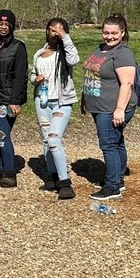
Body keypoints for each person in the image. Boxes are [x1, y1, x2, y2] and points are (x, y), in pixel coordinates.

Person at [82, 14, 138, 200]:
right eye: (106, 32)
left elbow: (127, 83)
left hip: (112, 108)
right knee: (116, 141)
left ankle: (112, 186)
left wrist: (120, 109)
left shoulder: (122, 53)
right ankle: (118, 179)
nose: (109, 36)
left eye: (114, 33)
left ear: (122, 33)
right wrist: (85, 97)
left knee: (108, 144)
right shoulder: (100, 49)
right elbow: (93, 74)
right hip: (99, 105)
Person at [30, 18, 79, 200]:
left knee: (53, 139)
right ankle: (52, 177)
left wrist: (65, 37)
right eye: (53, 30)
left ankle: (65, 183)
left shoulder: (66, 53)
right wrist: (36, 80)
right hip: (42, 101)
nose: (56, 33)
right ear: (47, 31)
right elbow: (32, 75)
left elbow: (74, 59)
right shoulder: (39, 54)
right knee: (45, 140)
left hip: (61, 102)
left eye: (60, 30)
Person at [0, 9, 28, 188]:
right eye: (0, 24)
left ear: (12, 26)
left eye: (7, 24)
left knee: (1, 132)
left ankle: (10, 172)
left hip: (8, 97)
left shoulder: (18, 47)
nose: (3, 27)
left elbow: (21, 76)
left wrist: (15, 100)